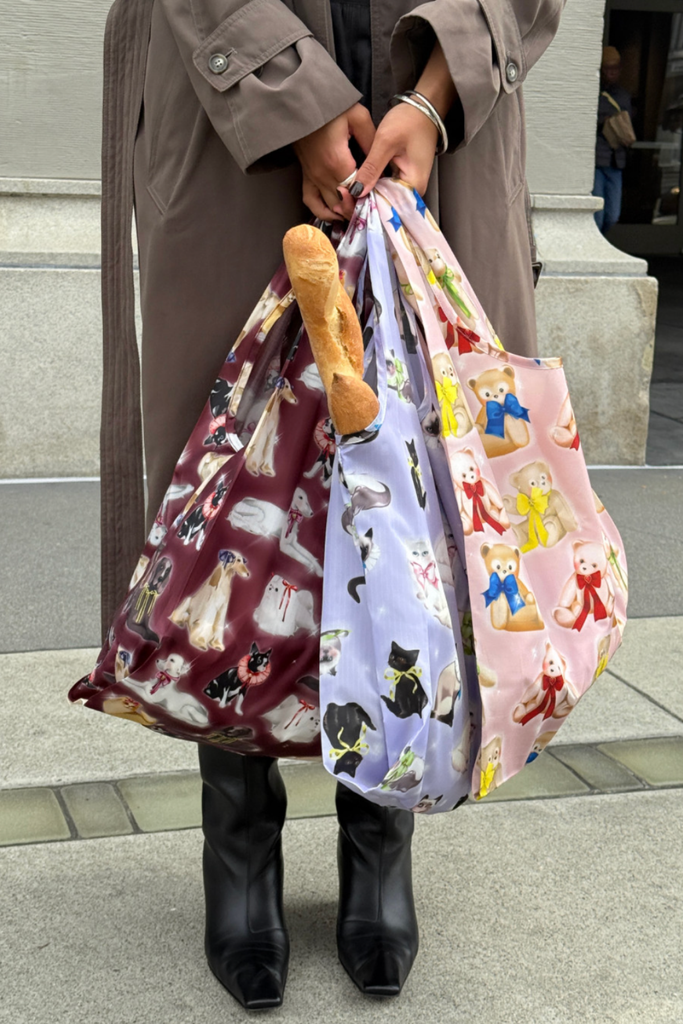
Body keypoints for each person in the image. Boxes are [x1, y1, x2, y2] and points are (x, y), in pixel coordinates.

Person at [98, 0, 565, 1010]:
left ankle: (378, 832)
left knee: (413, 495)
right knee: (230, 495)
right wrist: (291, 95)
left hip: (430, 83)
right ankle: (238, 840)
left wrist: (434, 93)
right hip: (231, 93)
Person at [593, 45, 634, 234]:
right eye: (607, 69)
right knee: (597, 215)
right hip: (597, 160)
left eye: (615, 68)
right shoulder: (593, 93)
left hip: (616, 160)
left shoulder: (623, 95)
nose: (612, 73)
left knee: (612, 215)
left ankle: (600, 244)